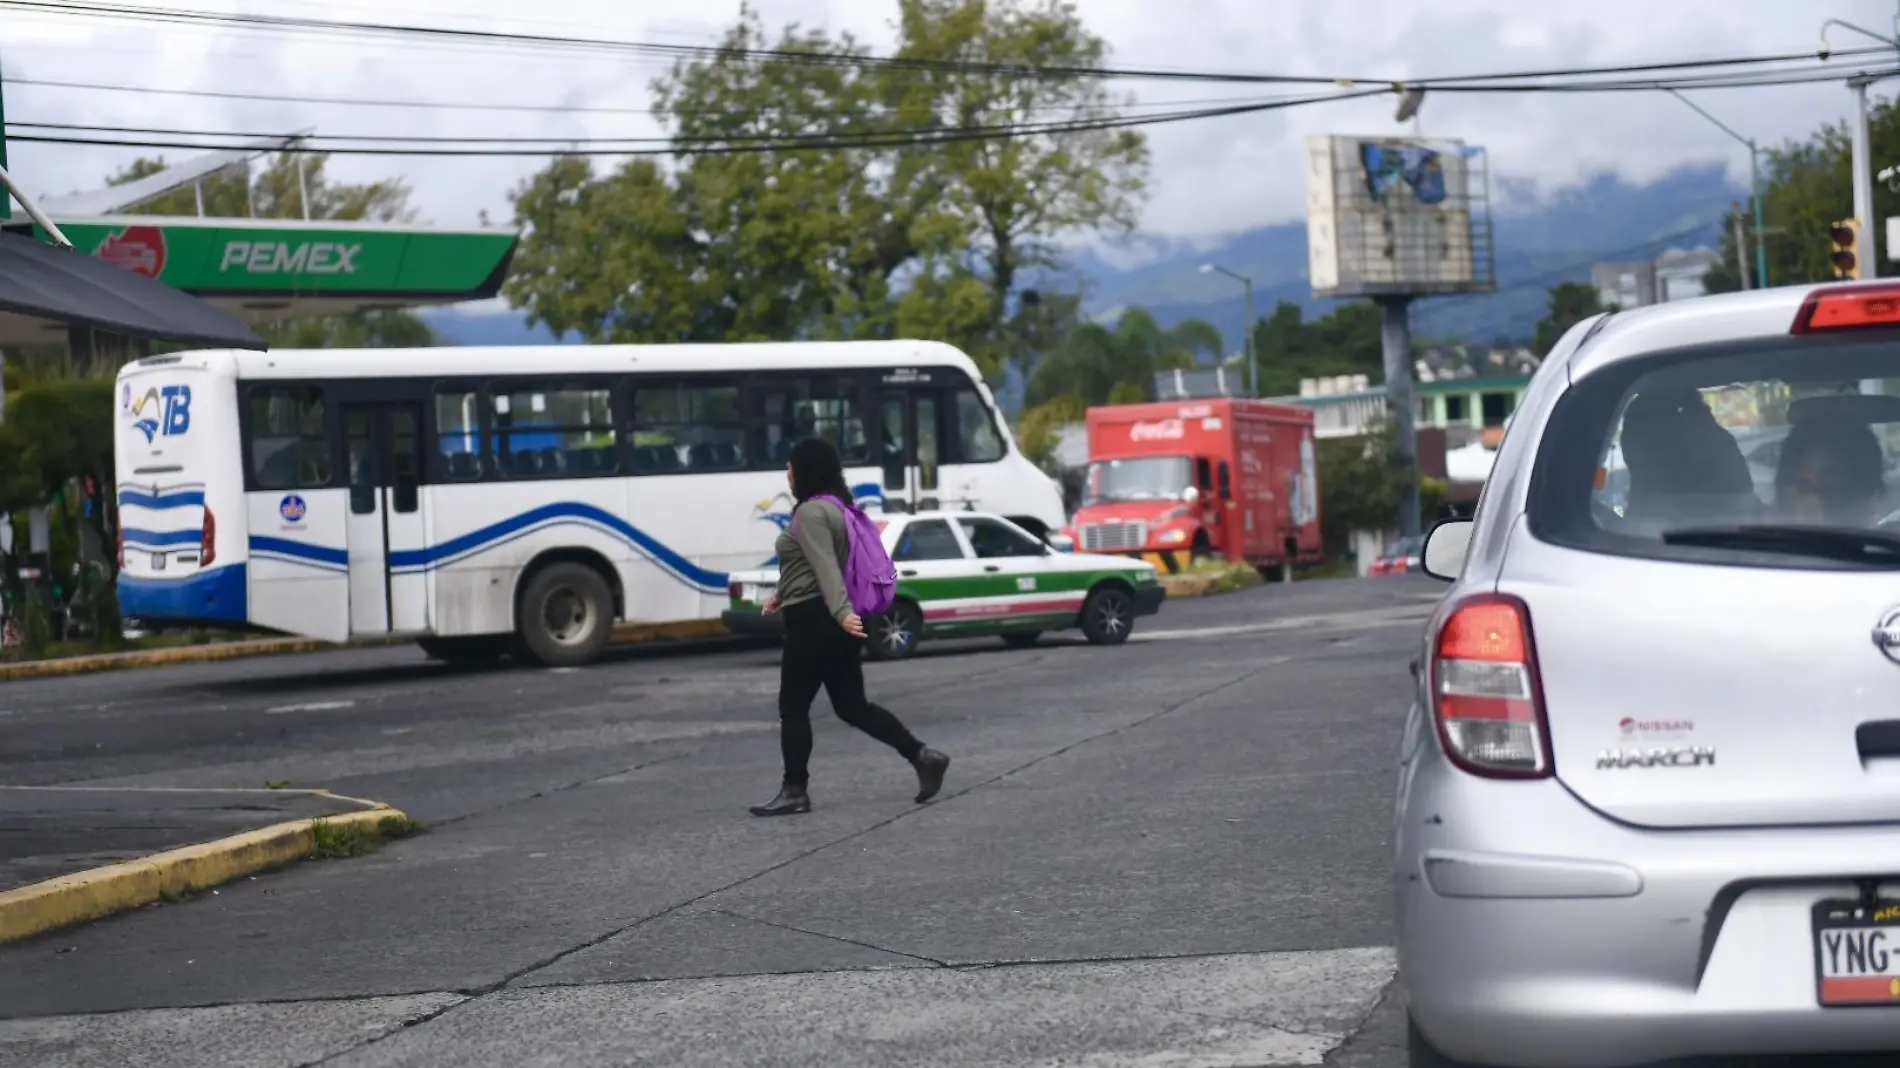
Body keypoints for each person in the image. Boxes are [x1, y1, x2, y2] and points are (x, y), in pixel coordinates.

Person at [750, 438, 950, 817]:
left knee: (792, 706)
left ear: (805, 470)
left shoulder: (810, 513)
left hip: (816, 621)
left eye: (791, 467)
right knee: (852, 706)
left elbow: (825, 566)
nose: (787, 475)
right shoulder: (839, 508)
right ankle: (922, 756)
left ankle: (795, 791)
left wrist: (841, 613)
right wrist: (782, 594)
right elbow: (812, 566)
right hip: (834, 621)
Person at [1773, 418, 1887, 527]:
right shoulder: (1759, 537)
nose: (1810, 501)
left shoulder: (1892, 541)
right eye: (1801, 484)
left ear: (1872, 497)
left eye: (1829, 486)